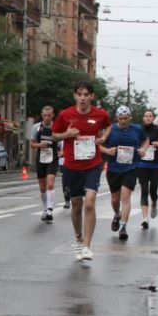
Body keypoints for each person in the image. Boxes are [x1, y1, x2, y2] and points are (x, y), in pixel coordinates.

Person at [52, 81, 112, 261]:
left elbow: (108, 125)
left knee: (90, 203)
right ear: (75, 96)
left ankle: (87, 246)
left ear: (92, 96)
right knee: (76, 204)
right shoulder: (65, 115)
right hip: (72, 165)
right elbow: (55, 135)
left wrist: (104, 138)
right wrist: (66, 135)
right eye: (80, 94)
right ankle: (78, 237)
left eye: (86, 94)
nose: (83, 98)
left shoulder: (100, 114)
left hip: (93, 164)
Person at [100, 106, 148, 241]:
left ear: (130, 118)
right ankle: (117, 214)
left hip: (131, 168)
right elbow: (98, 144)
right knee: (115, 199)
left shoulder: (137, 129)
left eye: (125, 118)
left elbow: (146, 140)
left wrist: (143, 149)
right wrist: (107, 151)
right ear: (117, 119)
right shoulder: (111, 129)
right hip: (114, 168)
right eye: (120, 119)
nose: (123, 121)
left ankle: (123, 226)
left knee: (125, 197)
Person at [136, 110, 158, 229]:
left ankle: (154, 202)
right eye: (146, 116)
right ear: (143, 118)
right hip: (142, 165)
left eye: (150, 116)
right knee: (144, 190)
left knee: (153, 191)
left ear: (153, 118)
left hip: (156, 165)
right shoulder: (138, 130)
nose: (148, 118)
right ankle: (145, 219)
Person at [29, 105, 59, 222]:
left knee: (50, 184)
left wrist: (61, 151)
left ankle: (50, 210)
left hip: (53, 158)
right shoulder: (36, 127)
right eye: (45, 115)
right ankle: (46, 209)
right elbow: (32, 144)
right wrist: (40, 145)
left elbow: (61, 141)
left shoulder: (56, 127)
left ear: (52, 116)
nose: (47, 117)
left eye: (49, 115)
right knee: (42, 187)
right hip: (41, 158)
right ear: (42, 115)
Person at [58, 140, 71, 209]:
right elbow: (57, 149)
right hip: (63, 163)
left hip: (73, 162)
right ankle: (67, 200)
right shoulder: (60, 140)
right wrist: (60, 153)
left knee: (73, 180)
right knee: (65, 182)